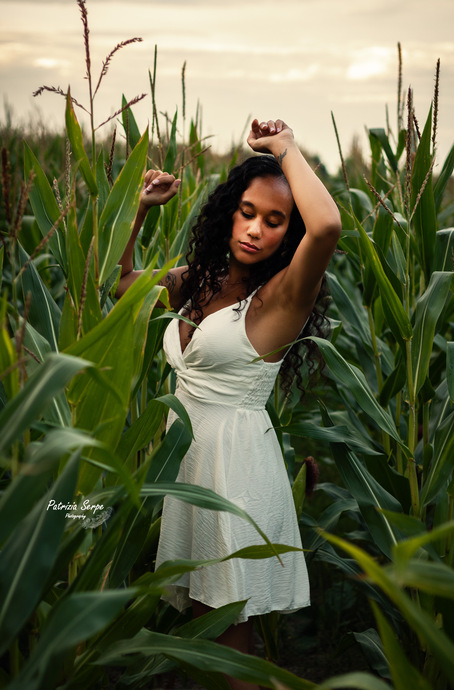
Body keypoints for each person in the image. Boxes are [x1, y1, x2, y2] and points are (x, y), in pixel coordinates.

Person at [116, 118, 341, 690]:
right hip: (192, 472)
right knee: (209, 635)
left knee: (228, 649)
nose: (255, 230)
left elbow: (329, 225)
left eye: (274, 221)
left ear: (289, 234)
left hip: (232, 479)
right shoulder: (201, 280)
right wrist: (138, 211)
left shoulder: (281, 298)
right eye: (247, 211)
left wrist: (287, 147)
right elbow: (118, 286)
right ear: (229, 211)